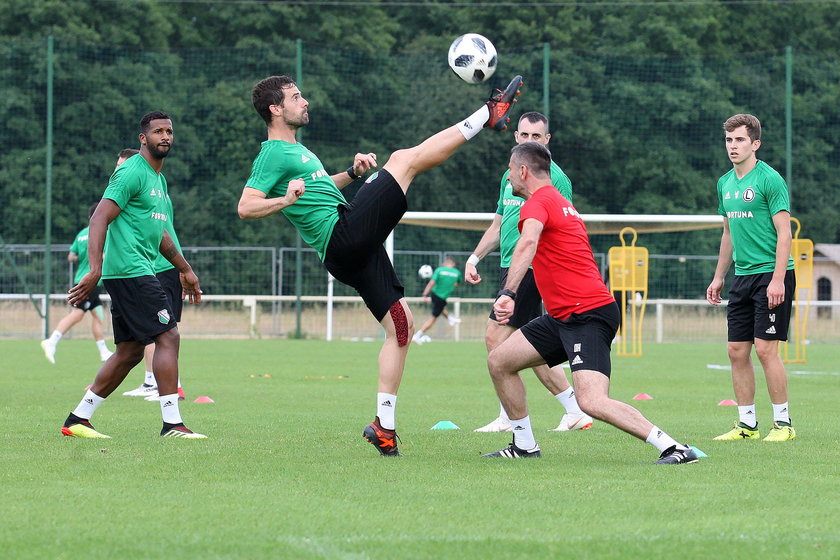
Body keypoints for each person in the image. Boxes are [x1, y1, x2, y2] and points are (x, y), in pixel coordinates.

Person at [238, 74, 524, 456]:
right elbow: (246, 206)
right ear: (275, 109)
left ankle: (383, 427)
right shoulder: (273, 152)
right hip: (343, 237)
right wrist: (285, 201)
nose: (304, 101)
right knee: (405, 160)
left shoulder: (298, 151)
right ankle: (486, 116)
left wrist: (353, 174)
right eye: (295, 97)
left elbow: (319, 188)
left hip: (347, 246)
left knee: (401, 325)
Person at [483, 142, 698, 464]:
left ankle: (674, 448)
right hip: (562, 317)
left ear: (523, 171)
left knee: (592, 401)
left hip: (588, 314)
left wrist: (508, 292)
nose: (509, 177)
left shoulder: (538, 203)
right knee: (499, 361)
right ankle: (524, 444)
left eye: (511, 170)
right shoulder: (558, 201)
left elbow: (528, 241)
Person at [61, 111, 205, 439]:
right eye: (157, 132)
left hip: (134, 270)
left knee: (130, 351)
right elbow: (99, 218)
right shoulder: (131, 172)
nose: (165, 137)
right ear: (144, 138)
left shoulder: (159, 179)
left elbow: (160, 233)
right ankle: (172, 424)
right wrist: (94, 269)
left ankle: (78, 419)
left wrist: (185, 269)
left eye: (169, 131)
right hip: (130, 270)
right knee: (168, 336)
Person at [465, 112, 593, 434]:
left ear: (547, 141)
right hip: (509, 266)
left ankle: (511, 418)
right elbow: (498, 225)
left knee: (496, 338)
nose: (529, 141)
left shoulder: (554, 178)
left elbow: (558, 226)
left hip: (530, 268)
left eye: (536, 137)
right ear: (515, 138)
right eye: (524, 135)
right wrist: (474, 257)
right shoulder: (509, 177)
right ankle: (573, 409)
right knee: (527, 345)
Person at [706, 113, 796, 442]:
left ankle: (783, 424)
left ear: (755, 143)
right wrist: (719, 277)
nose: (733, 145)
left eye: (740, 139)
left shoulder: (769, 180)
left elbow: (784, 234)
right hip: (742, 278)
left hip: (773, 275)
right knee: (735, 350)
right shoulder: (725, 183)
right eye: (729, 139)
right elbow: (728, 232)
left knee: (766, 350)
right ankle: (746, 425)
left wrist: (776, 280)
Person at [121, 153, 187, 403]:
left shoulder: (148, 185)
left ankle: (173, 389)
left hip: (160, 265)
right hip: (152, 266)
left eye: (122, 166)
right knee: (154, 332)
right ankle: (152, 382)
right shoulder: (147, 186)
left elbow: (156, 232)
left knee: (164, 330)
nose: (119, 171)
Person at [40, 202, 115, 364]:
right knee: (78, 314)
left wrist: (83, 257)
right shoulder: (103, 232)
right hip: (90, 280)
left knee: (98, 315)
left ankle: (103, 351)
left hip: (83, 278)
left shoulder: (81, 234)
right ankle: (51, 341)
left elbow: (71, 257)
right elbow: (105, 255)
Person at [412, 256, 461, 344]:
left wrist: (425, 294)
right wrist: (449, 285)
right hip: (442, 296)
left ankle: (450, 319)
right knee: (433, 318)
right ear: (453, 264)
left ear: (446, 263)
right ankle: (418, 335)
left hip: (435, 295)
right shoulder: (457, 273)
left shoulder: (439, 270)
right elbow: (457, 284)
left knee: (441, 308)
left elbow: (431, 283)